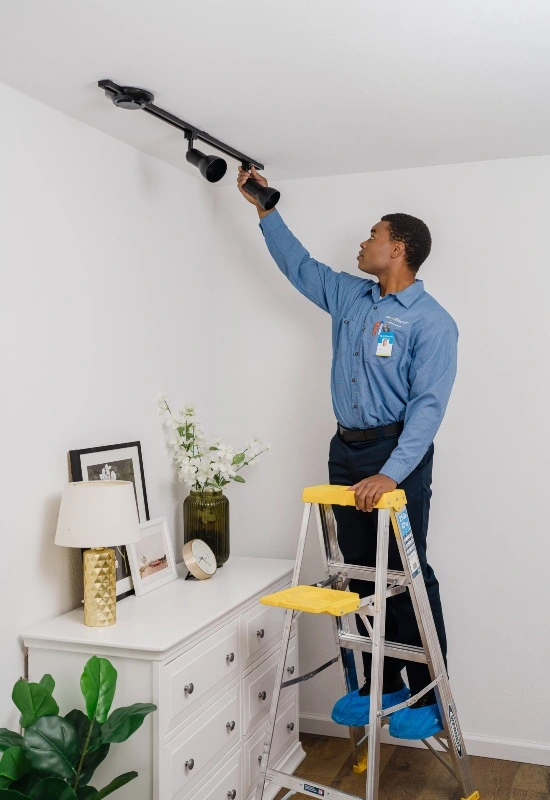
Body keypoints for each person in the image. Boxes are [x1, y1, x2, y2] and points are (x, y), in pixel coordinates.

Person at [237, 166, 458, 741]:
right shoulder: (351, 297)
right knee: (359, 575)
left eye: (372, 235)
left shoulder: (432, 323)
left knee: (408, 575)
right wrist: (265, 209)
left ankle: (428, 693)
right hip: (346, 451)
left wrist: (390, 473)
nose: (363, 243)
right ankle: (380, 685)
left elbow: (429, 408)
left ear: (399, 248)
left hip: (396, 456)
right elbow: (301, 267)